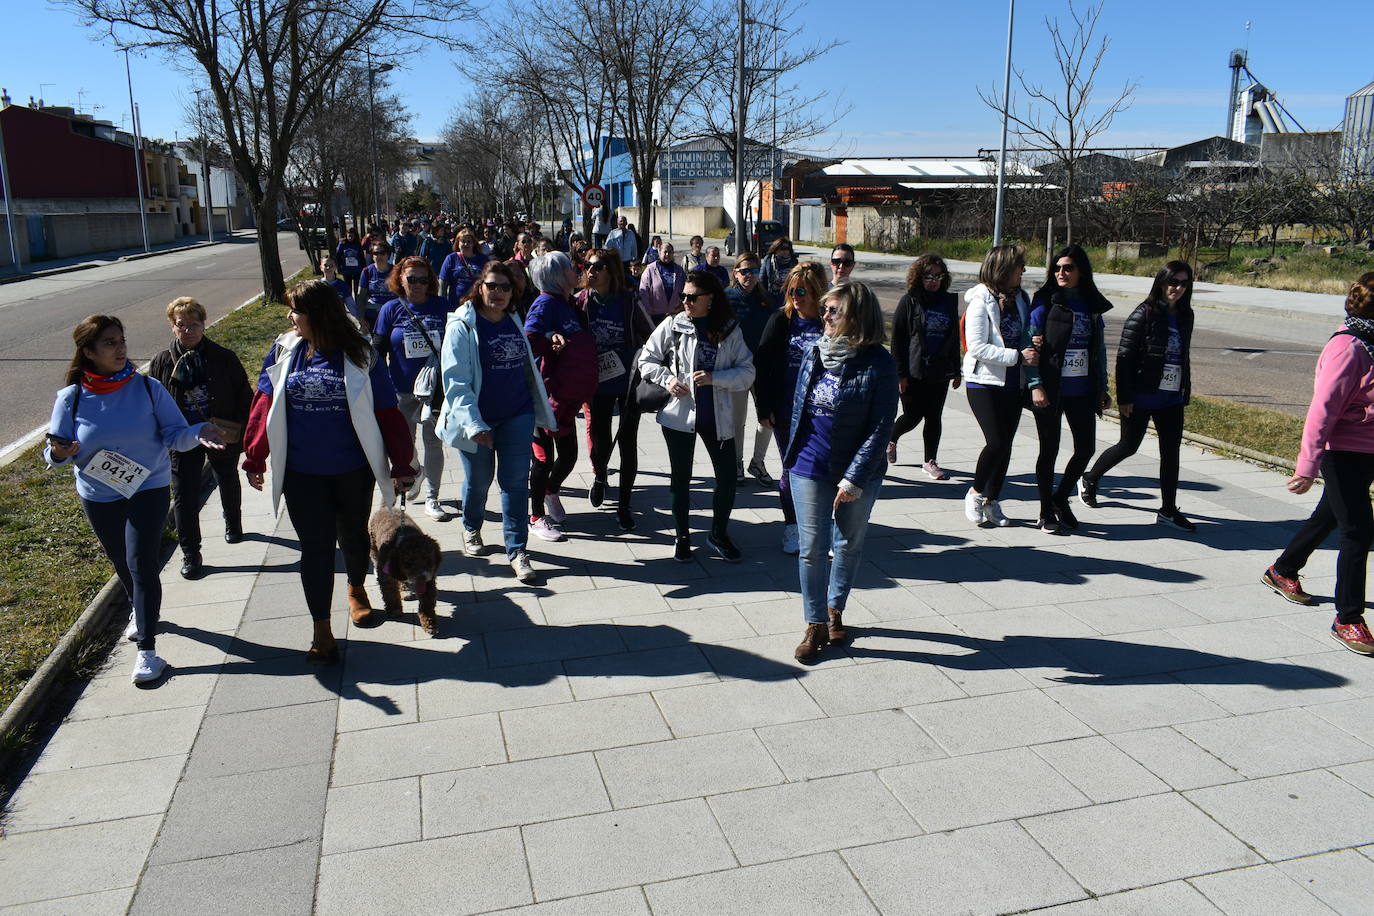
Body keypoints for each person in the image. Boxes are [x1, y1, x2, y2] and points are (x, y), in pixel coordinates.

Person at [46, 315, 226, 684]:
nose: (120, 348)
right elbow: (54, 450)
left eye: (121, 339)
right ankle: (140, 610)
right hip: (98, 493)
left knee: (142, 563)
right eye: (110, 343)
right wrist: (61, 453)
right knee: (122, 561)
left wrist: (198, 432)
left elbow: (175, 434)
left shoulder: (148, 388)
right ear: (89, 352)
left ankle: (147, 650)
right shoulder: (71, 397)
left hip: (148, 486)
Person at [242, 280, 415, 663]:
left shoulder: (360, 355)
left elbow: (387, 412)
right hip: (302, 474)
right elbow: (264, 403)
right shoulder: (285, 348)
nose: (291, 317)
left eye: (297, 311)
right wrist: (255, 455)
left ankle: (356, 588)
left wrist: (402, 464)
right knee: (315, 550)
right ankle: (322, 630)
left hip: (352, 471)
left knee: (352, 538)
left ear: (318, 315)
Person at [1262, 273, 1374, 654]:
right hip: (1342, 452)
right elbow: (1321, 412)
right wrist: (1307, 465)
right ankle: (1348, 618)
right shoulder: (1351, 349)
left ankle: (1283, 570)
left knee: (1329, 515)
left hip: (1368, 450)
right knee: (1358, 531)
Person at [786, 281, 898, 663]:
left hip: (856, 469)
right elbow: (800, 404)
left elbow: (881, 425)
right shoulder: (814, 352)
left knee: (848, 542)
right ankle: (814, 623)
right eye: (825, 309)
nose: (825, 316)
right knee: (812, 548)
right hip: (809, 463)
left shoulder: (879, 362)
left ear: (855, 314)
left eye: (834, 310)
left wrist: (854, 478)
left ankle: (835, 608)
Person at [438, 262, 556, 583]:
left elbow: (525, 367)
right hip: (477, 421)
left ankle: (517, 551)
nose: (499, 292)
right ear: (481, 287)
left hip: (517, 414)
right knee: (478, 481)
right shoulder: (462, 325)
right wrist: (475, 425)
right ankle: (471, 525)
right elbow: (456, 381)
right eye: (493, 286)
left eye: (505, 287)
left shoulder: (513, 319)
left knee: (515, 484)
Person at [638, 270, 756, 562]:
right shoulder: (673, 324)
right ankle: (682, 536)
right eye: (683, 296)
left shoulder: (730, 329)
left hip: (719, 416)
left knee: (727, 478)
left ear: (711, 299)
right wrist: (668, 379)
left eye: (693, 297)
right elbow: (646, 359)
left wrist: (716, 378)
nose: (686, 302)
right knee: (681, 478)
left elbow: (747, 372)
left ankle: (718, 533)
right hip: (680, 416)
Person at [1081, 261, 1196, 530]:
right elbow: (1125, 358)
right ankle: (1090, 477)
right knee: (1128, 446)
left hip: (1172, 397)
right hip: (1142, 394)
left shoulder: (1185, 314)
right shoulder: (1143, 313)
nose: (1176, 288)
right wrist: (1124, 397)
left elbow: (1183, 357)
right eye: (1172, 282)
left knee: (1171, 453)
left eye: (1182, 283)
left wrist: (1184, 389)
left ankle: (1168, 510)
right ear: (1160, 282)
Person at [148, 297, 253, 579]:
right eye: (181, 325)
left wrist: (243, 428)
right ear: (172, 327)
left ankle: (233, 522)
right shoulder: (161, 361)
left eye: (194, 324)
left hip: (220, 432)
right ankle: (191, 553)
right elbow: (153, 403)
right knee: (184, 495)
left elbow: (245, 395)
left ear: (204, 324)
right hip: (182, 437)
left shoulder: (224, 357)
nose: (188, 330)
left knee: (227, 479)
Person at [1026, 244, 1112, 532]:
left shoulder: (1091, 303)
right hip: (1050, 387)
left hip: (1082, 390)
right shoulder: (1044, 300)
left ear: (1081, 271)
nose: (1061, 272)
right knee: (1048, 450)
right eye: (1057, 267)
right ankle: (1044, 510)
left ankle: (1060, 497)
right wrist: (1036, 385)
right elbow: (1030, 344)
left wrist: (1102, 386)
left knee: (1085, 448)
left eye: (1068, 267)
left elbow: (1098, 348)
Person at [524, 252, 598, 541]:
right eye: (570, 267)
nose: (576, 269)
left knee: (568, 456)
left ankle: (551, 492)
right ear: (556, 275)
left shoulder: (569, 302)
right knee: (543, 460)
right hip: (545, 398)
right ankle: (535, 516)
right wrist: (550, 336)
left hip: (566, 397)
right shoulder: (544, 304)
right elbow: (529, 337)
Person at [754, 261, 828, 554]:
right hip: (786, 410)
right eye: (792, 290)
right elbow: (761, 364)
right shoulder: (781, 321)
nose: (796, 296)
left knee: (823, 469)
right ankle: (792, 527)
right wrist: (764, 408)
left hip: (822, 410)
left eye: (803, 291)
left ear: (817, 293)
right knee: (791, 469)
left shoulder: (828, 321)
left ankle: (820, 525)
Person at [578, 249, 654, 530]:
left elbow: (652, 334)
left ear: (610, 271)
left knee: (627, 441)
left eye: (597, 267)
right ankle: (600, 476)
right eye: (587, 266)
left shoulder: (628, 300)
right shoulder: (582, 302)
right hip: (597, 382)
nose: (590, 271)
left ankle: (624, 505)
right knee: (599, 439)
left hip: (628, 382)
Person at [962, 245, 1038, 527]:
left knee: (1005, 445)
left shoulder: (1021, 298)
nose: (1024, 271)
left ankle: (992, 501)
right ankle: (974, 492)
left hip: (1012, 383)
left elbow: (1025, 334)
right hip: (984, 382)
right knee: (995, 441)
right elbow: (977, 347)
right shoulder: (981, 301)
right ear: (1005, 269)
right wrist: (1017, 356)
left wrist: (1033, 343)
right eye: (1020, 266)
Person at [373, 256, 453, 520]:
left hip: (435, 392)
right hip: (402, 390)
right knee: (403, 446)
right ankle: (415, 471)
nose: (417, 284)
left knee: (434, 442)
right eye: (411, 279)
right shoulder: (390, 310)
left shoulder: (443, 307)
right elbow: (377, 351)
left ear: (430, 281)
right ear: (400, 280)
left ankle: (433, 497)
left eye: (423, 279)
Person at [889, 254, 961, 478]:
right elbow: (897, 340)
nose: (933, 281)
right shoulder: (909, 301)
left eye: (938, 276)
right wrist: (900, 373)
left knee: (934, 416)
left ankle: (930, 461)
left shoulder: (948, 302)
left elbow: (953, 338)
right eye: (928, 276)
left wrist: (956, 370)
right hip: (913, 370)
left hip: (939, 369)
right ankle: (891, 438)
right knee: (912, 415)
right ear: (919, 277)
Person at [726, 250, 776, 483]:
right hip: (736, 367)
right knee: (738, 419)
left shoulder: (765, 299)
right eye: (744, 271)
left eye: (754, 271)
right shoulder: (726, 298)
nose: (749, 275)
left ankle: (758, 462)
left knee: (767, 418)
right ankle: (736, 463)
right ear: (735, 273)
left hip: (763, 368)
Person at [638, 241, 687, 324]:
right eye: (665, 252)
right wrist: (648, 312)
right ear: (659, 252)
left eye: (670, 252)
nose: (667, 255)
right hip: (655, 315)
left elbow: (685, 291)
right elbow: (643, 292)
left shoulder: (679, 270)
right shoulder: (650, 269)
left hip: (674, 315)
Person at [440, 229, 489, 306]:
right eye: (463, 241)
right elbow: (443, 284)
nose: (466, 244)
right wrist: (442, 305)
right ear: (458, 243)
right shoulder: (451, 258)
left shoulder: (483, 259)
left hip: (478, 304)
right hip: (455, 305)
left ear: (474, 244)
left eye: (469, 242)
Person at [358, 241, 394, 327]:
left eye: (382, 253)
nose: (379, 256)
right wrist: (361, 318)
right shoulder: (367, 271)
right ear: (372, 255)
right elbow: (361, 296)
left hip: (392, 312)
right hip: (373, 314)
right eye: (376, 253)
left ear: (388, 255)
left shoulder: (396, 271)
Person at [760, 238, 799, 309]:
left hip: (788, 296)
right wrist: (763, 297)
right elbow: (762, 280)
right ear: (775, 249)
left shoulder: (793, 261)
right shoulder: (768, 260)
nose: (785, 251)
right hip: (772, 296)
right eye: (782, 248)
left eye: (787, 248)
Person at [320, 255, 358, 320]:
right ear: (321, 267)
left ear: (335, 267)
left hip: (339, 319)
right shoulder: (317, 285)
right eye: (325, 265)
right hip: (322, 320)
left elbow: (351, 305)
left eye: (331, 265)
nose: (328, 267)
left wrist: (360, 319)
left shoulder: (342, 285)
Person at [336, 228, 366, 299]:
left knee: (356, 288)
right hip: (346, 270)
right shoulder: (342, 244)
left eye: (351, 236)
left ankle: (357, 302)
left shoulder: (358, 244)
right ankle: (350, 302)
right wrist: (338, 267)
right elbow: (338, 256)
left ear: (355, 236)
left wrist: (364, 268)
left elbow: (362, 257)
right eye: (348, 236)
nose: (350, 238)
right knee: (348, 288)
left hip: (357, 270)